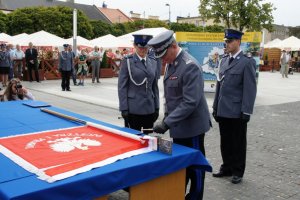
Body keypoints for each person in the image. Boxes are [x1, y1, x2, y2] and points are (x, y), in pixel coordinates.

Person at [148, 30, 211, 200]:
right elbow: (171, 97)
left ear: (174, 46)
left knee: (195, 166)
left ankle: (196, 197)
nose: (162, 59)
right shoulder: (172, 62)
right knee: (182, 165)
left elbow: (190, 102)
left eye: (164, 54)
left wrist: (167, 122)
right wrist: (167, 119)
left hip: (192, 127)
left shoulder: (190, 66)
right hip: (179, 126)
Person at [212, 29, 257, 184]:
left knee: (238, 142)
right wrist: (215, 106)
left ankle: (238, 171)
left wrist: (246, 111)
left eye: (230, 41)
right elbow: (219, 85)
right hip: (224, 109)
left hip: (237, 111)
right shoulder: (224, 60)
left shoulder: (247, 61)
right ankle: (227, 168)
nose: (227, 44)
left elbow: (250, 89)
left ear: (238, 42)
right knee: (225, 141)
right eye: (226, 41)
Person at [118, 34, 160, 133]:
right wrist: (124, 108)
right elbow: (122, 87)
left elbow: (155, 86)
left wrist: (157, 107)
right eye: (140, 47)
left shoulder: (153, 62)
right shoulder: (128, 62)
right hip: (133, 110)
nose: (143, 50)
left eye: (145, 47)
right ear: (135, 45)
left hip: (149, 108)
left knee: (147, 140)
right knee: (134, 140)